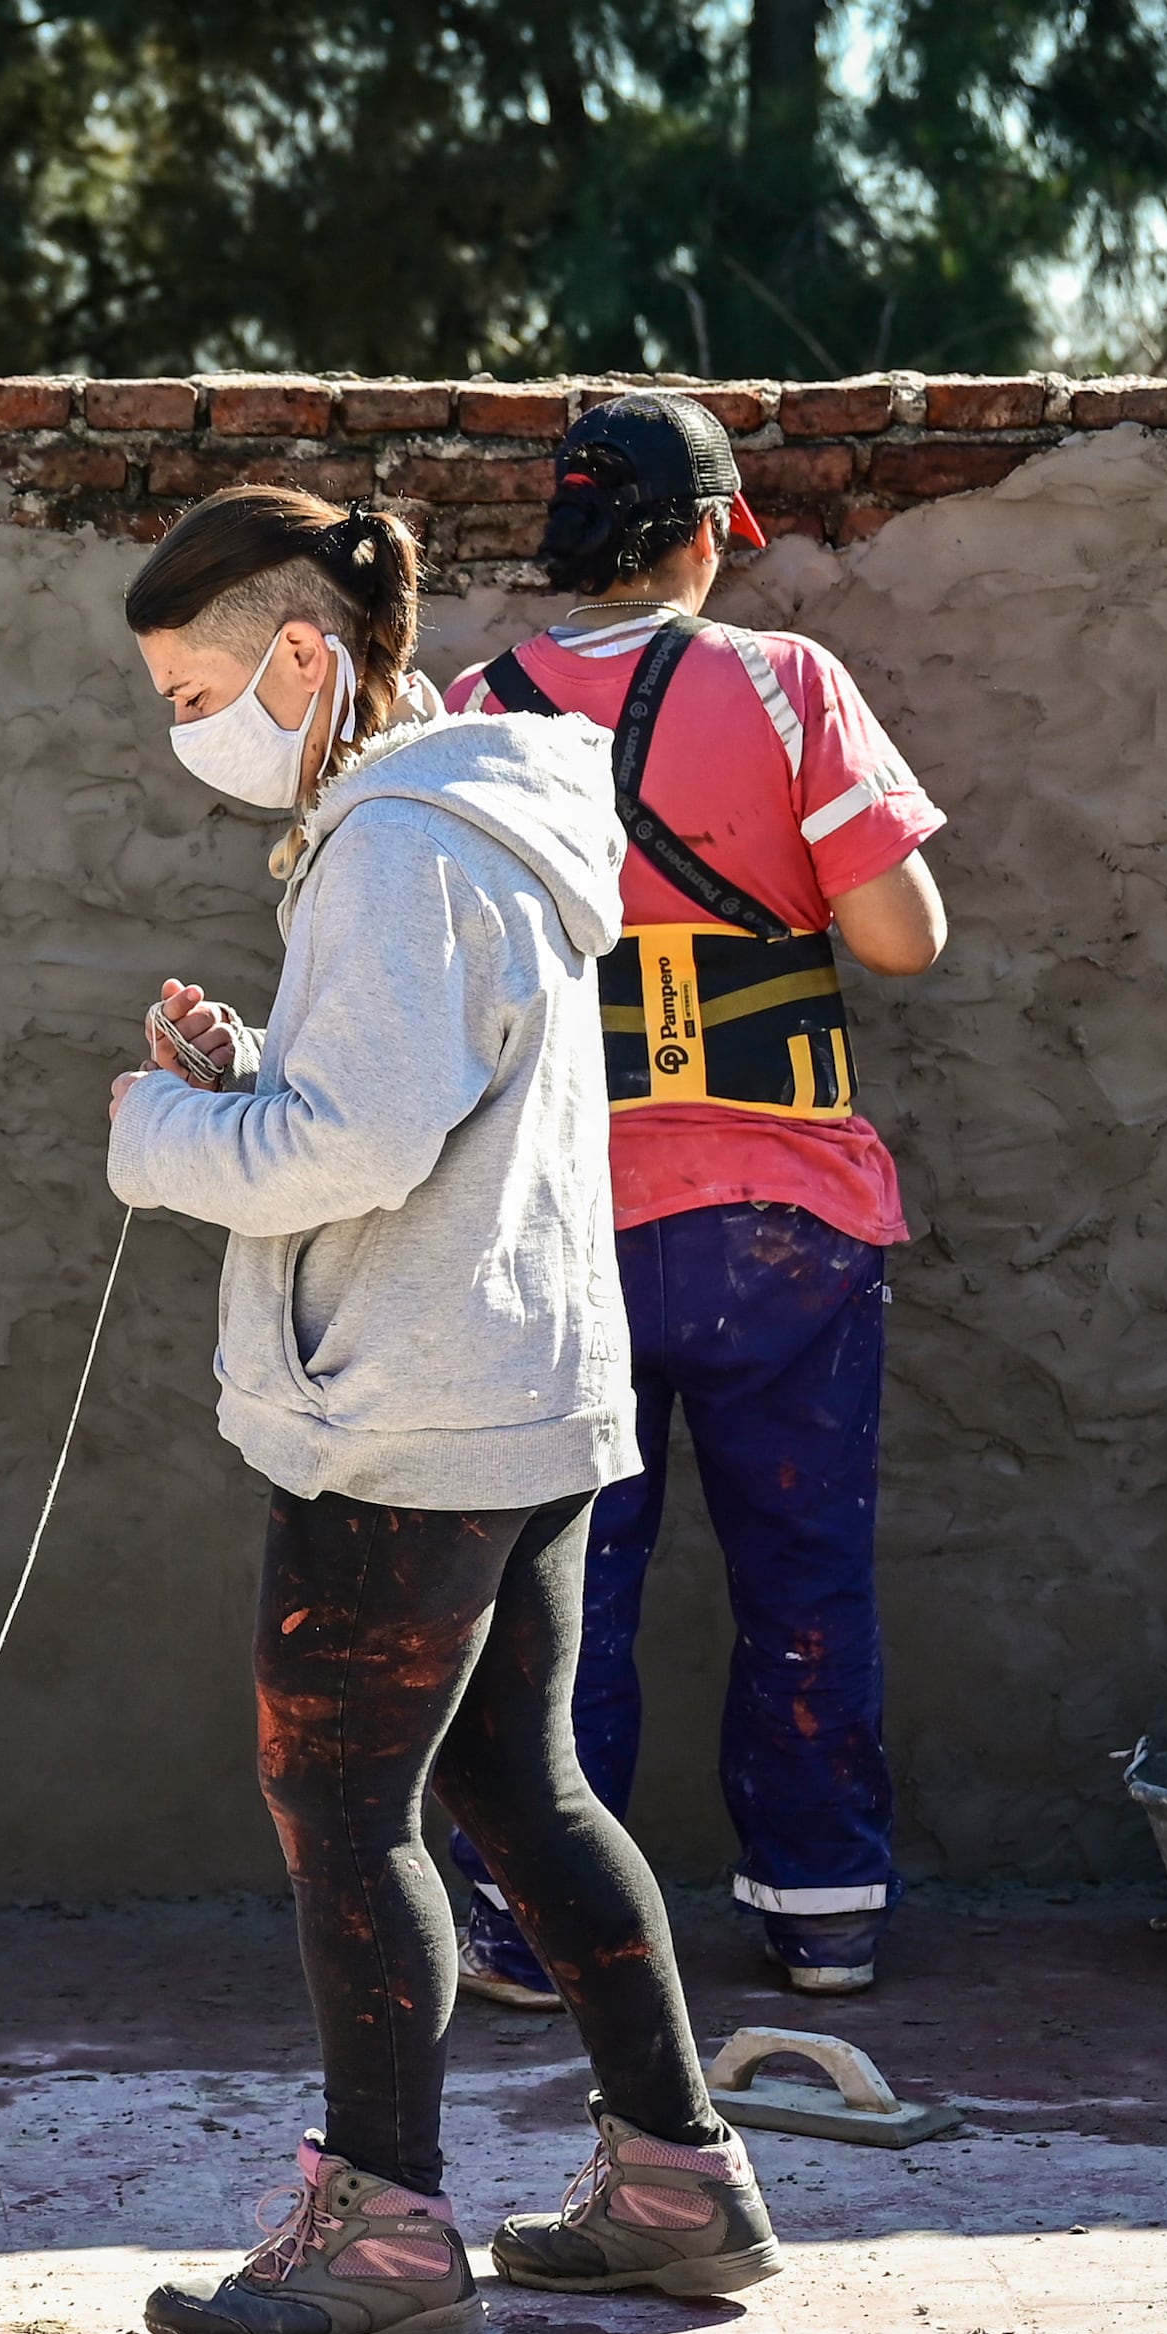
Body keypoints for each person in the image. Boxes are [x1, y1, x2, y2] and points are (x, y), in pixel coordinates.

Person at [108, 485, 778, 2334]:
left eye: (194, 689)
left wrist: (161, 1139)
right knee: (512, 1783)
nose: (187, 730)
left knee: (344, 1799)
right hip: (524, 1379)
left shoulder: (399, 842)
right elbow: (411, 1097)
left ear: (306, 656)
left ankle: (386, 2226)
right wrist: (251, 1068)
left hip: (404, 1410)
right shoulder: (477, 816)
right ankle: (677, 2180)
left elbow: (363, 1147)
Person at [443, 391, 948, 1999]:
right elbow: (900, 936)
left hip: (559, 1227)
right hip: (785, 1229)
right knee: (804, 1572)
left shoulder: (474, 706)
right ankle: (822, 1910)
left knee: (566, 1594)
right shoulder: (790, 683)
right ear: (708, 535)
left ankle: (533, 1926)